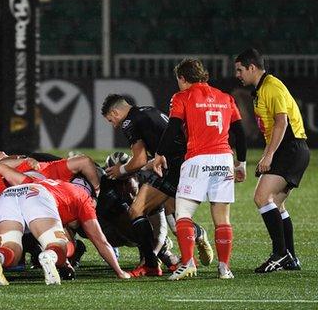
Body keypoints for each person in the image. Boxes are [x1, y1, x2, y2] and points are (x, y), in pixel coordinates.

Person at [0, 159, 130, 286]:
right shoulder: (84, 200)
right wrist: (119, 272)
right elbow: (100, 241)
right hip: (37, 196)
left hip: (7, 196)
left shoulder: (47, 181)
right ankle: (48, 256)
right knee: (56, 244)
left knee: (12, 247)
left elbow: (3, 168)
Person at [153, 59, 247, 280]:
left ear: (183, 78)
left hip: (197, 159)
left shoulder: (182, 97)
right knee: (222, 218)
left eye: (178, 80)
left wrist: (159, 154)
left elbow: (173, 127)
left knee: (183, 213)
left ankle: (187, 264)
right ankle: (224, 268)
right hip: (224, 159)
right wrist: (241, 163)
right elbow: (240, 133)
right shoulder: (226, 98)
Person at [101, 94, 213, 277]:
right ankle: (197, 235)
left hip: (174, 167)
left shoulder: (129, 122)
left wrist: (120, 170)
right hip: (185, 163)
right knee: (175, 218)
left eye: (111, 119)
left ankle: (151, 265)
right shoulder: (149, 111)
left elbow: (139, 160)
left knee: (136, 211)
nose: (113, 124)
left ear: (115, 111)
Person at [235, 48, 310, 272]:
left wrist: (268, 155)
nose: (237, 75)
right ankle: (290, 257)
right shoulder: (262, 89)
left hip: (291, 148)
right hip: (291, 149)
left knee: (261, 197)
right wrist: (268, 153)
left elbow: (281, 123)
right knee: (276, 204)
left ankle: (279, 253)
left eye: (240, 70)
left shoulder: (272, 87)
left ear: (252, 67)